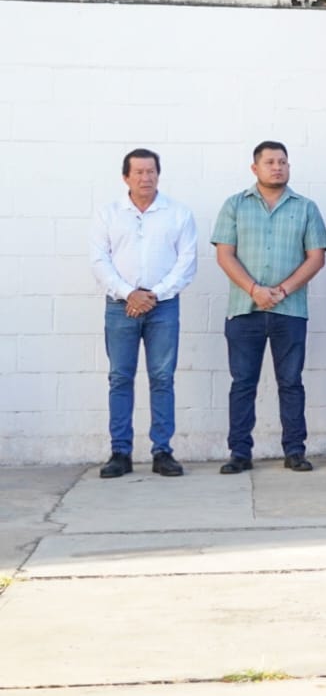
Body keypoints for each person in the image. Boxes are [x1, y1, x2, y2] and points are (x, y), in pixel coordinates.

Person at [212, 140, 326, 474]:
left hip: (289, 312)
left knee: (291, 382)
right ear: (255, 168)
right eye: (269, 162)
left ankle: (294, 451)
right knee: (242, 383)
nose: (277, 167)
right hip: (244, 310)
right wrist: (254, 290)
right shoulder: (235, 205)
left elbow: (316, 257)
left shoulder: (305, 207)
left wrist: (280, 290)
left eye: (282, 162)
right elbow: (224, 254)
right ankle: (239, 453)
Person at [88, 148, 198, 479]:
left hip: (163, 307)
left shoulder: (178, 213)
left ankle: (162, 451)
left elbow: (187, 261)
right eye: (138, 172)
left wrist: (153, 295)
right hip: (120, 307)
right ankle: (120, 452)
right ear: (126, 177)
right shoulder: (107, 214)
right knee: (120, 378)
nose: (145, 177)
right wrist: (129, 294)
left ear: (158, 175)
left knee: (162, 378)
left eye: (151, 171)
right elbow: (99, 261)